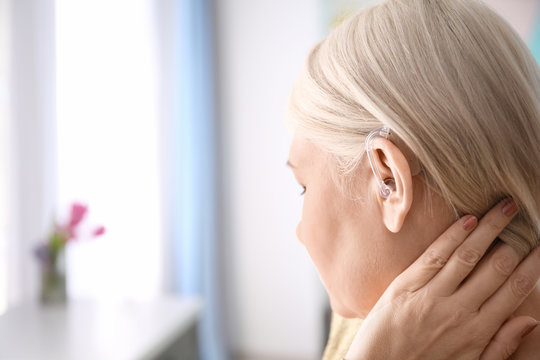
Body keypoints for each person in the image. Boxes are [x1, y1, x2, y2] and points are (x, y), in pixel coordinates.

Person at [286, 0, 540, 358]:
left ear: (388, 180)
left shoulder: (371, 325)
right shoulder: (370, 319)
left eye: (304, 187)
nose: (299, 232)